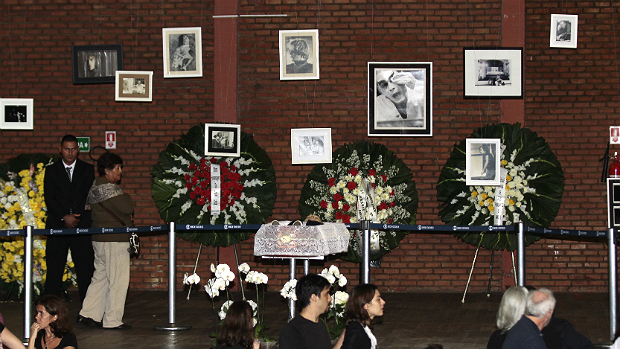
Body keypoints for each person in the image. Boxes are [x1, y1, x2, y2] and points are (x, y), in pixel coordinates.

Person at [77, 152, 133, 330]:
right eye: (117, 168)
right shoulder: (110, 189)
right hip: (114, 240)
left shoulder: (95, 187)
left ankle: (88, 314)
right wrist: (127, 197)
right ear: (107, 170)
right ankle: (113, 320)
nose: (120, 172)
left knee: (100, 278)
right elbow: (128, 207)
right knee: (118, 280)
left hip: (99, 239)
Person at [43, 135, 95, 304]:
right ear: (60, 150)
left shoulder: (87, 169)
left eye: (73, 149)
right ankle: (49, 311)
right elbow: (49, 198)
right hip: (58, 225)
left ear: (78, 150)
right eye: (67, 149)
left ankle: (88, 312)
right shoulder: (51, 170)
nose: (70, 152)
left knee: (85, 270)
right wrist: (64, 216)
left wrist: (76, 217)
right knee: (54, 270)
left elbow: (88, 196)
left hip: (81, 225)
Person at [279, 274, 333, 349]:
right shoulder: (292, 331)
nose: (330, 298)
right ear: (314, 297)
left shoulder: (321, 325)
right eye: (326, 294)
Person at [340, 284, 385, 349]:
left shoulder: (362, 326)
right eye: (378, 299)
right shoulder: (355, 329)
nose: (383, 302)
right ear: (366, 305)